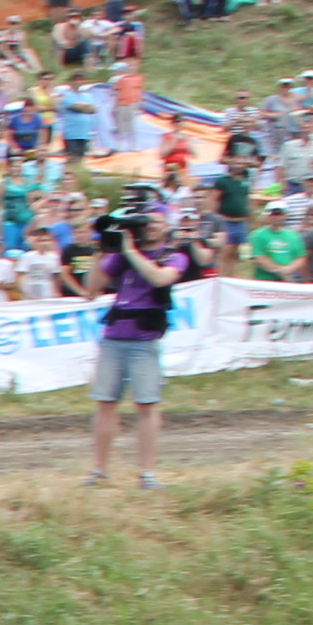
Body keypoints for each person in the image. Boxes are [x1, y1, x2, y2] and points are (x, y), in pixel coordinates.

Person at [90, 206, 196, 490]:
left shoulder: (173, 256)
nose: (150, 225)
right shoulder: (123, 256)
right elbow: (92, 287)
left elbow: (161, 278)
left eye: (157, 221)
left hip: (144, 338)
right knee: (104, 403)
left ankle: (147, 472)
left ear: (166, 228)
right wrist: (104, 248)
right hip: (114, 334)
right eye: (147, 221)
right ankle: (99, 470)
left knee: (147, 404)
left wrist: (130, 252)